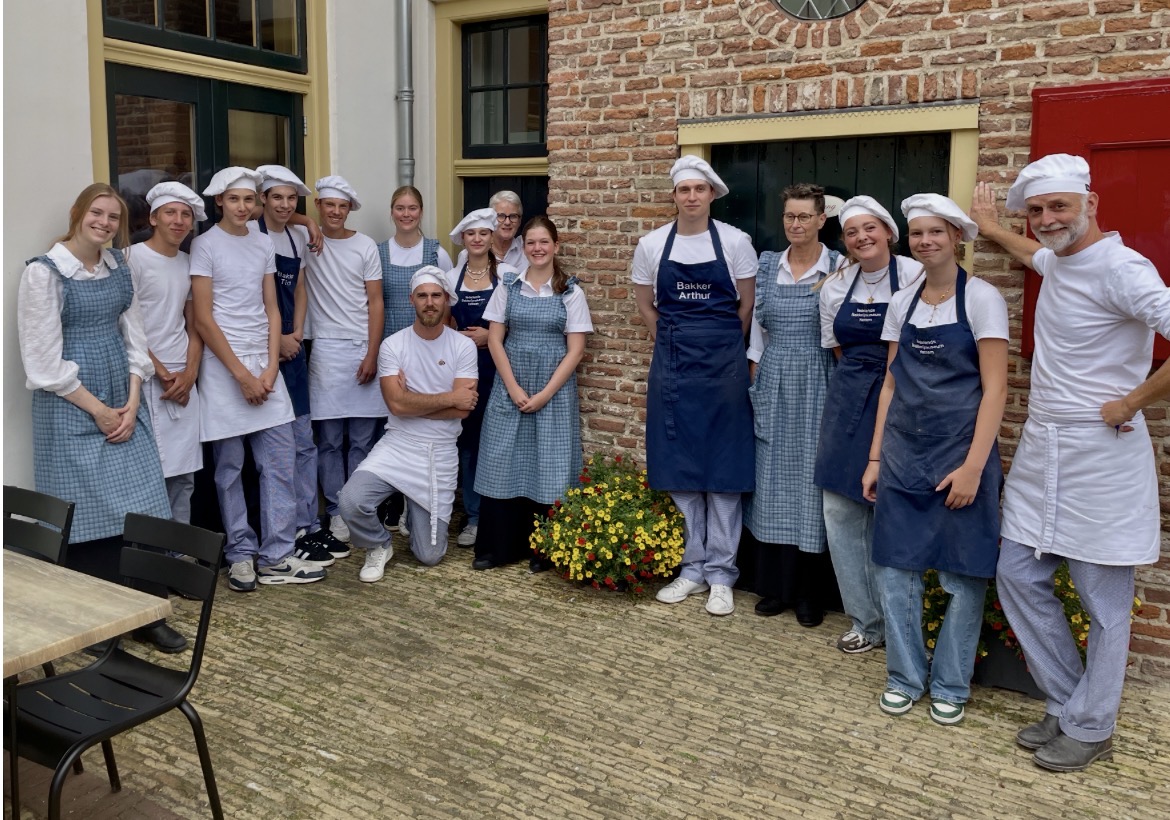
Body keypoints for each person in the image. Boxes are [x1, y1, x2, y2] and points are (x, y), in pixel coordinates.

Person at [971, 155, 1170, 771]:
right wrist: (990, 226)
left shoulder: (1125, 269)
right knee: (1018, 574)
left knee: (1103, 603)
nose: (1047, 219)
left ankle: (1093, 725)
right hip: (1044, 449)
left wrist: (1132, 400)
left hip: (1102, 455)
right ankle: (1066, 701)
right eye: (1036, 210)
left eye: (1059, 206)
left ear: (1091, 204)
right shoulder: (1056, 257)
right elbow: (1037, 255)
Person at [861, 193, 1008, 726]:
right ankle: (904, 675)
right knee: (895, 570)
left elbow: (995, 391)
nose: (925, 241)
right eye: (918, 232)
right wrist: (876, 456)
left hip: (959, 454)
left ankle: (949, 682)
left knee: (962, 574)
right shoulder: (902, 301)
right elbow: (892, 382)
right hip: (903, 452)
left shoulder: (982, 299)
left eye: (936, 232)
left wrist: (973, 467)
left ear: (958, 238)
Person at [18, 183, 180, 651]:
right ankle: (97, 624)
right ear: (78, 214)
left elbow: (135, 338)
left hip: (122, 397)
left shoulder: (118, 266)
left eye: (114, 217)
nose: (105, 223)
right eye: (98, 213)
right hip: (70, 405)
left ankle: (147, 611)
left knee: (144, 504)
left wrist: (131, 401)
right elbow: (42, 364)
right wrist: (100, 412)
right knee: (86, 513)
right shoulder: (45, 274)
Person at [633, 156, 757, 617]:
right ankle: (692, 568)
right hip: (674, 365)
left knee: (723, 473)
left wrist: (719, 343)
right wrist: (673, 340)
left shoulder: (735, 242)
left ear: (711, 195)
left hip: (724, 368)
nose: (690, 197)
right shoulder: (650, 245)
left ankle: (723, 574)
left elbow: (745, 306)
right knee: (682, 468)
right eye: (683, 190)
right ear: (674, 196)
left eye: (698, 190)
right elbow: (647, 304)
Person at [191, 166, 326, 591]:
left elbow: (272, 310)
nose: (243, 207)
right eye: (235, 200)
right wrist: (242, 376)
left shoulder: (263, 243)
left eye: (249, 200)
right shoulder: (204, 246)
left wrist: (268, 369)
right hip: (223, 367)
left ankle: (277, 554)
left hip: (265, 368)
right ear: (219, 203)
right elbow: (203, 318)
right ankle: (240, 555)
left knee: (280, 463)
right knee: (229, 469)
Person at [815, 196, 925, 652]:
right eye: (852, 232)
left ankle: (902, 623)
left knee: (893, 511)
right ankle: (866, 620)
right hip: (848, 397)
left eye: (870, 228)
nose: (862, 237)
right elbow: (837, 348)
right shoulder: (834, 288)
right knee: (840, 511)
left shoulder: (917, 275)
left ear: (889, 232)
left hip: (904, 397)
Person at [740, 182, 840, 627]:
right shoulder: (766, 267)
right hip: (774, 377)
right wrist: (756, 388)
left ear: (822, 220)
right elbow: (757, 340)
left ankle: (809, 594)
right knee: (773, 479)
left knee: (810, 484)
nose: (795, 224)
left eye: (804, 216)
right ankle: (774, 587)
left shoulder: (839, 267)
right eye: (789, 217)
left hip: (820, 378)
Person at [337, 267, 478, 583]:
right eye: (423, 295)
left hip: (439, 450)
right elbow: (396, 406)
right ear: (412, 299)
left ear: (446, 301)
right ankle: (379, 545)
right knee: (350, 501)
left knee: (430, 556)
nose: (430, 303)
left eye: (436, 295)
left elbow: (463, 411)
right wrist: (447, 398)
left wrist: (409, 399)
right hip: (398, 443)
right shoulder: (393, 345)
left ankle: (412, 510)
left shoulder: (463, 346)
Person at [473, 216, 593, 571]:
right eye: (531, 243)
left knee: (548, 465)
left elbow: (576, 351)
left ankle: (544, 550)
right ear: (523, 248)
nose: (537, 249)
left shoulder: (570, 292)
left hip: (552, 390)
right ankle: (499, 548)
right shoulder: (508, 286)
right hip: (511, 385)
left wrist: (543, 395)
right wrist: (512, 387)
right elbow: (494, 338)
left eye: (544, 242)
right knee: (502, 460)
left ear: (556, 246)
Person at [252, 165, 340, 566]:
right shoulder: (249, 235)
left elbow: (300, 287)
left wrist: (297, 332)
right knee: (279, 450)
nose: (285, 205)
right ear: (263, 200)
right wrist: (279, 340)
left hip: (294, 348)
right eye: (277, 198)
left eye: (292, 199)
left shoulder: (295, 235)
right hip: (264, 349)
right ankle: (286, 532)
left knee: (305, 443)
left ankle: (308, 525)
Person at [303, 175, 386, 545]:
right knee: (331, 440)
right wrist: (304, 222)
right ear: (318, 206)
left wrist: (372, 352)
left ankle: (359, 507)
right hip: (326, 349)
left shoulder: (365, 246)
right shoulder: (305, 240)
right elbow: (268, 212)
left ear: (349, 209)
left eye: (342, 206)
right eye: (328, 205)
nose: (335, 212)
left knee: (363, 440)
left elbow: (375, 302)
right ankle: (337, 511)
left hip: (362, 347)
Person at [376, 185, 454, 536]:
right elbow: (374, 303)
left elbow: (445, 310)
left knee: (421, 425)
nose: (406, 214)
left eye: (412, 208)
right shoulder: (377, 252)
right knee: (394, 429)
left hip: (426, 351)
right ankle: (392, 502)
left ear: (421, 212)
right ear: (391, 211)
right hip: (391, 349)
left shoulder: (436, 253)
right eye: (399, 208)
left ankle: (415, 506)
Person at [127, 182, 206, 530]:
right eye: (170, 213)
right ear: (153, 218)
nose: (178, 221)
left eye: (185, 215)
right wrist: (161, 371)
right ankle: (150, 560)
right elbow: (127, 326)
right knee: (150, 477)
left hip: (183, 379)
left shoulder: (189, 263)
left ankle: (179, 556)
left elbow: (194, 325)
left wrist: (190, 372)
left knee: (184, 478)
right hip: (146, 380)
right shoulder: (130, 259)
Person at [445, 208, 516, 549]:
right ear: (463, 239)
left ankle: (499, 515)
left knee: (500, 443)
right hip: (463, 373)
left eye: (483, 234)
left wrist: (491, 336)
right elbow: (443, 325)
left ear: (492, 238)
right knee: (469, 445)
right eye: (470, 234)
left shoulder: (509, 275)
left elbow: (521, 322)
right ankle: (473, 516)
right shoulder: (450, 277)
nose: (477, 239)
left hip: (499, 370)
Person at [455, 190, 529, 274]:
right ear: (491, 220)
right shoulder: (468, 255)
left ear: (519, 221)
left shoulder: (527, 250)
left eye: (513, 216)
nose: (507, 222)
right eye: (501, 216)